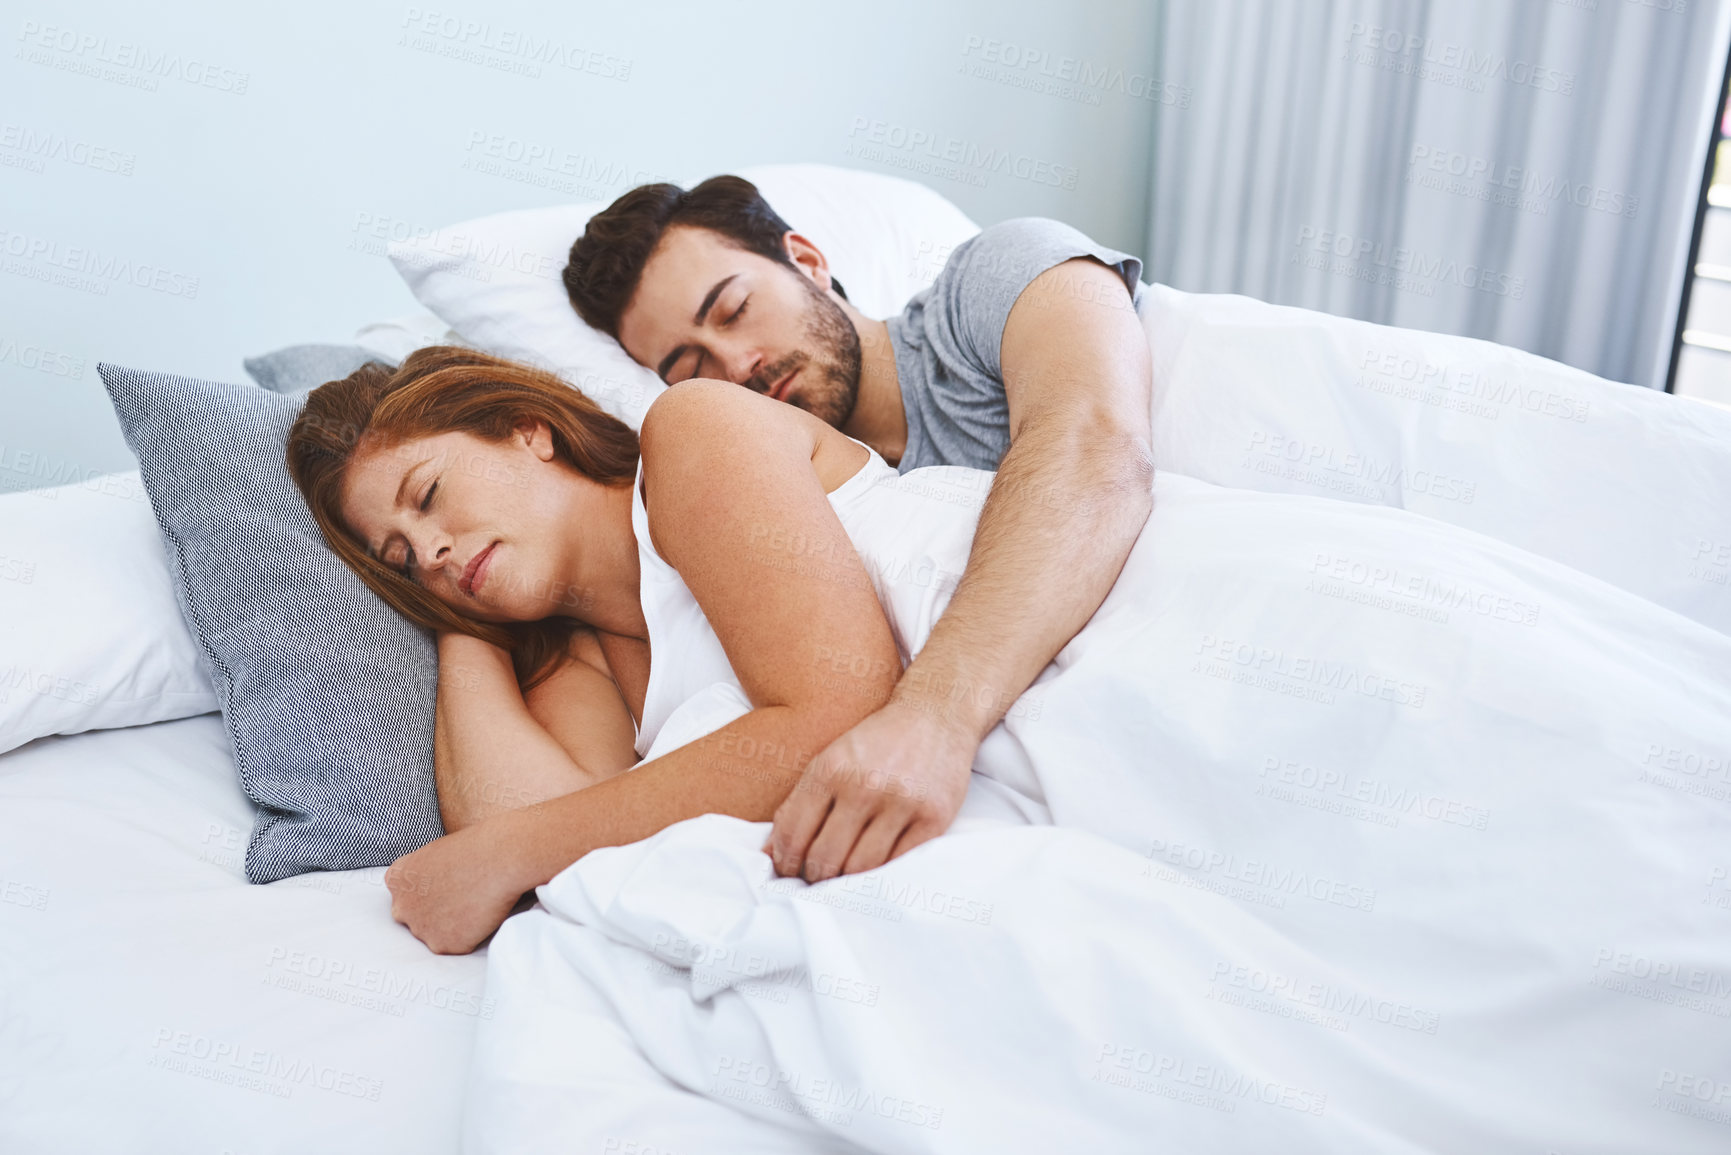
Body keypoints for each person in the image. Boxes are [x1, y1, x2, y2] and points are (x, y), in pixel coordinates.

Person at [561, 175, 1154, 885]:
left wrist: (931, 720)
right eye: (690, 368)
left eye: (734, 310)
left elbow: (1098, 447)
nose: (736, 366)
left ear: (806, 261)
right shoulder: (797, 513)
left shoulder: (991, 280)